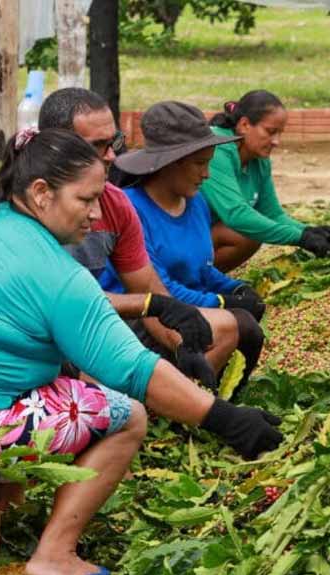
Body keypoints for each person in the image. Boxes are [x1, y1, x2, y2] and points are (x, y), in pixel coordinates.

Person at [0, 129, 283, 575]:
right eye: (86, 200)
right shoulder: (58, 275)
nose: (96, 214)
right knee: (125, 414)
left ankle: (7, 500)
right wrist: (226, 419)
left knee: (71, 381)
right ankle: (54, 555)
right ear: (41, 192)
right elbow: (133, 368)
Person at [38, 88, 238, 388]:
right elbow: (58, 304)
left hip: (100, 325)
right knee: (120, 403)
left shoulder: (117, 202)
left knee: (224, 328)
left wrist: (182, 342)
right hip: (38, 340)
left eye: (114, 142)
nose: (111, 155)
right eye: (98, 146)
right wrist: (152, 305)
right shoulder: (24, 209)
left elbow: (147, 287)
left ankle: (173, 399)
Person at [115, 101, 267, 395]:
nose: (207, 174)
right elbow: (159, 289)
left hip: (184, 311)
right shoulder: (131, 209)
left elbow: (202, 269)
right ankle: (179, 400)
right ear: (170, 163)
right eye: (199, 164)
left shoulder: (196, 203)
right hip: (142, 319)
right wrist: (220, 302)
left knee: (249, 326)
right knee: (239, 325)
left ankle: (216, 396)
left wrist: (235, 288)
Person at [201, 90, 330, 272]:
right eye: (270, 132)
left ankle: (203, 280)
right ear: (244, 125)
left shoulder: (258, 159)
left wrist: (311, 231)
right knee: (247, 233)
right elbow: (236, 215)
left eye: (280, 133)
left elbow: (272, 214)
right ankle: (189, 281)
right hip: (175, 238)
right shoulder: (216, 150)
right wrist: (299, 238)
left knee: (253, 229)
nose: (276, 141)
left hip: (202, 235)